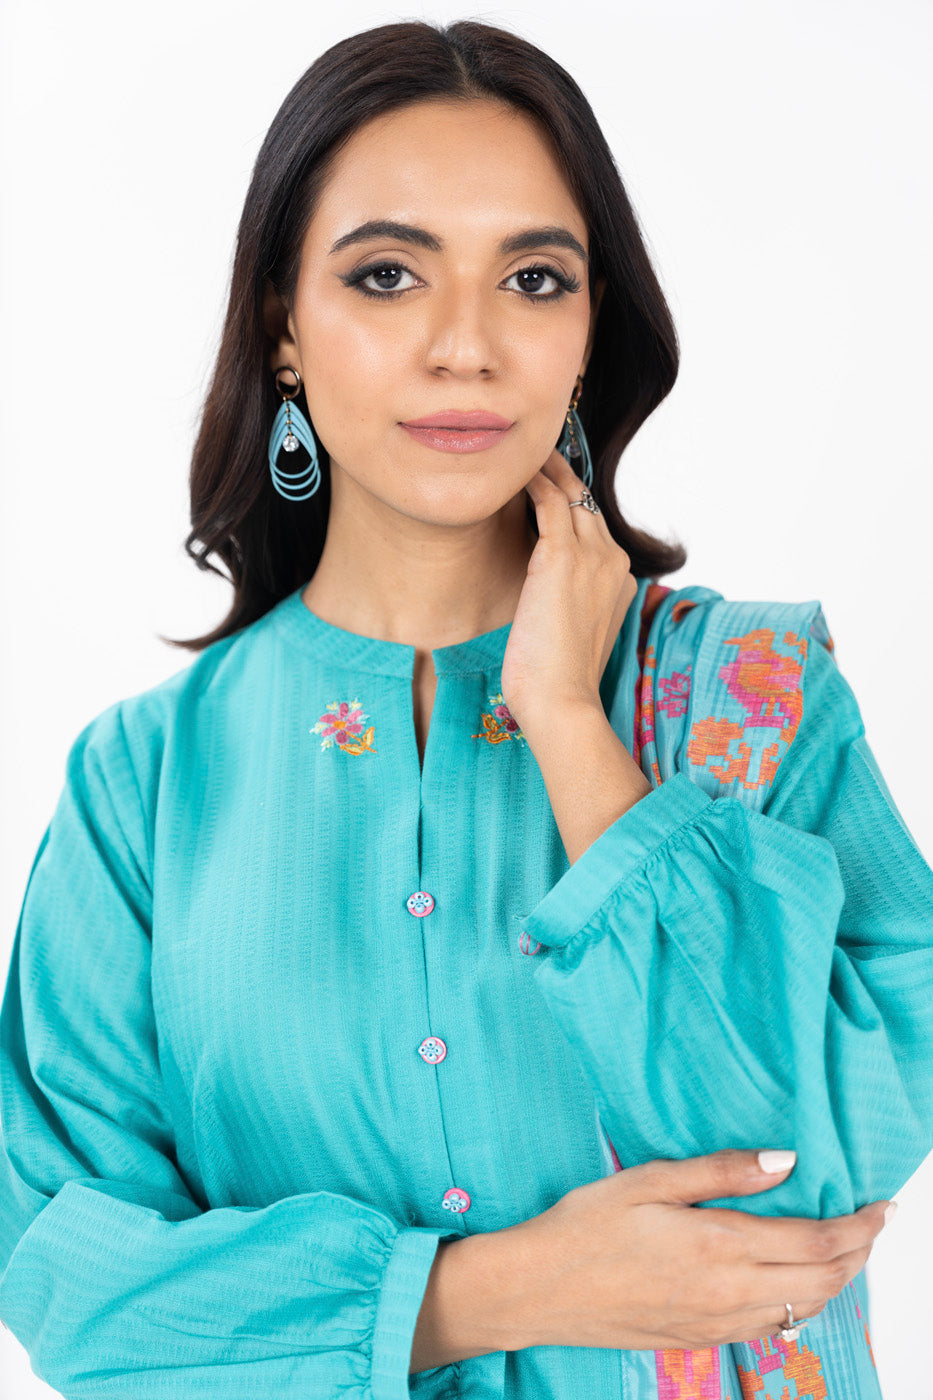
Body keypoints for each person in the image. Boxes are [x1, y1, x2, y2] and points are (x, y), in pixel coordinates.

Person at [0, 17, 929, 1400]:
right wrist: (496, 1291)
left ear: (588, 331)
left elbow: (807, 1179)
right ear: (285, 326)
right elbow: (75, 1287)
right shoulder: (145, 783)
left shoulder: (753, 698)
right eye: (386, 275)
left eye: (533, 279)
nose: (465, 347)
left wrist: (570, 724)